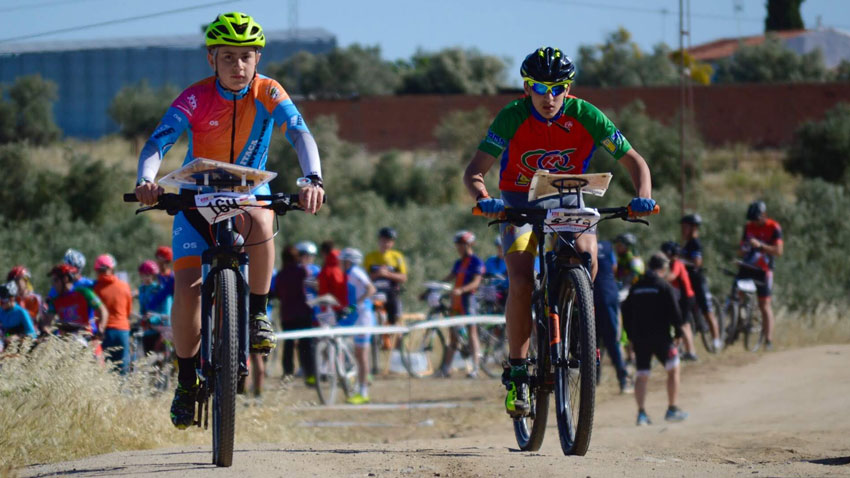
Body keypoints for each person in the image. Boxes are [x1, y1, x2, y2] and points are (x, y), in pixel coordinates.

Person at [131, 12, 325, 429]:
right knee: (188, 290)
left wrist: (312, 178)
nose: (238, 67)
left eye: (246, 58)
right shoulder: (196, 97)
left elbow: (298, 131)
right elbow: (159, 140)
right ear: (212, 59)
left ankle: (257, 313)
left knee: (263, 212)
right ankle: (185, 382)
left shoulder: (269, 90)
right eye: (228, 58)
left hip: (246, 190)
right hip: (194, 195)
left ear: (257, 59)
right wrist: (146, 180)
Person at [463, 47, 656, 416]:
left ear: (568, 89)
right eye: (539, 88)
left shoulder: (586, 114)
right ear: (526, 88)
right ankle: (518, 374)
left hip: (568, 194)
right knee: (520, 280)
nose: (548, 97)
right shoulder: (512, 117)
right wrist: (484, 197)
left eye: (557, 88)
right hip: (518, 199)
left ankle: (578, 324)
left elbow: (635, 161)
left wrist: (642, 197)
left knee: (587, 257)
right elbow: (474, 170)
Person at [621, 253, 688, 426]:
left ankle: (641, 414)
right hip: (661, 337)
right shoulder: (663, 285)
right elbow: (675, 311)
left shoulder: (636, 287)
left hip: (640, 337)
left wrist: (630, 335)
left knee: (642, 374)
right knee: (673, 368)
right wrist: (679, 332)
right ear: (664, 268)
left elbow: (625, 310)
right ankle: (672, 409)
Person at [737, 200, 783, 350]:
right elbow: (741, 248)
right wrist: (743, 250)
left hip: (764, 269)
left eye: (756, 220)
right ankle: (739, 322)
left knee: (764, 305)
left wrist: (761, 246)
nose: (754, 224)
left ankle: (768, 340)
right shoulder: (748, 227)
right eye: (752, 220)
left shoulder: (774, 227)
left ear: (764, 215)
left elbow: (778, 251)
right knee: (738, 294)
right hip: (748, 265)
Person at [439, 230, 485, 379]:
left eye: (461, 244)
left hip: (468, 300)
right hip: (456, 302)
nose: (458, 247)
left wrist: (461, 290)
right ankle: (446, 369)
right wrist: (435, 286)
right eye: (457, 245)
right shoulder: (458, 263)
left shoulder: (476, 261)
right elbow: (449, 277)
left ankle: (475, 368)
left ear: (469, 244)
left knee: (472, 333)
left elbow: (476, 282)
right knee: (452, 336)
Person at [338, 247, 376, 404]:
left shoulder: (355, 272)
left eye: (342, 261)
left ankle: (363, 391)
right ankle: (362, 383)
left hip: (364, 316)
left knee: (362, 355)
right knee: (359, 354)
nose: (340, 263)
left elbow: (371, 289)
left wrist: (356, 304)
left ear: (348, 261)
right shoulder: (350, 273)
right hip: (358, 316)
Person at [680, 214, 723, 352]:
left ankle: (716, 339)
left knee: (707, 310)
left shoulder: (695, 244)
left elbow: (697, 262)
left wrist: (681, 261)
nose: (683, 230)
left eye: (685, 227)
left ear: (693, 228)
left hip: (697, 280)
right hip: (687, 281)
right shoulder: (686, 244)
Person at [594, 239, 632, 393]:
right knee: (611, 340)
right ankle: (623, 380)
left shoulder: (576, 243)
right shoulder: (608, 246)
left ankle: (594, 381)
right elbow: (614, 267)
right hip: (609, 293)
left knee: (593, 341)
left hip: (592, 295)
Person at [274, 244, 315, 383]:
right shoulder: (302, 271)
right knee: (306, 345)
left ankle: (287, 374)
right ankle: (310, 375)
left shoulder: (280, 275)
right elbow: (310, 288)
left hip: (287, 315)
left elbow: (278, 294)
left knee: (289, 346)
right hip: (303, 313)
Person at [363, 227, 408, 349]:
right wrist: (377, 274)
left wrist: (387, 274)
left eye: (389, 241)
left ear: (392, 243)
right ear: (379, 240)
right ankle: (374, 344)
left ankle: (398, 348)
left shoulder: (397, 256)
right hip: (374, 293)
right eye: (384, 240)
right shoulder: (370, 257)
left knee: (396, 318)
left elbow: (403, 277)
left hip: (391, 292)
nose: (386, 243)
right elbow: (364, 277)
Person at [92, 254, 133, 375]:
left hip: (104, 332)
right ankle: (122, 393)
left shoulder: (95, 289)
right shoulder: (124, 286)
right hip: (122, 331)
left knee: (106, 371)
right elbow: (128, 311)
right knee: (122, 370)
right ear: (112, 269)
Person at [46, 264, 108, 341]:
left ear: (65, 279)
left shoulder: (85, 293)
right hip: (66, 344)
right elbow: (47, 322)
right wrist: (45, 330)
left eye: (56, 280)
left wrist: (101, 328)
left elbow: (103, 311)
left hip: (89, 340)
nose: (53, 285)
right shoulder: (55, 300)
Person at [660, 241, 699, 362]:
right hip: (682, 297)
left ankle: (691, 352)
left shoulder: (677, 263)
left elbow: (672, 276)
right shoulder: (671, 263)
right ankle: (683, 350)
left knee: (683, 325)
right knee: (681, 324)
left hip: (686, 298)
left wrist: (657, 278)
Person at [137, 260, 172, 355]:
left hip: (161, 331)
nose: (146, 277)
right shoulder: (141, 289)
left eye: (149, 274)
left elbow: (167, 312)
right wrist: (141, 319)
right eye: (143, 274)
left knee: (161, 361)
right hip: (147, 331)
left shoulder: (160, 289)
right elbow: (142, 308)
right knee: (148, 360)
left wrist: (153, 319)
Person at [7, 266, 46, 334]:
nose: (13, 284)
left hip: (34, 335)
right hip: (13, 336)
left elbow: (43, 321)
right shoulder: (9, 301)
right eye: (11, 282)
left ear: (25, 280)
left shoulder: (36, 298)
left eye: (16, 281)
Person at [318, 240, 348, 315]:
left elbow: (323, 291)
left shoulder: (326, 271)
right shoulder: (343, 266)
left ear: (323, 253)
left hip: (332, 310)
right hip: (346, 307)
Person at [145, 246, 175, 315]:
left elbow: (165, 294)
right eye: (157, 257)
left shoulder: (172, 277)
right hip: (152, 313)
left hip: (167, 313)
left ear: (167, 260)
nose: (157, 260)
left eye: (160, 257)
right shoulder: (154, 275)